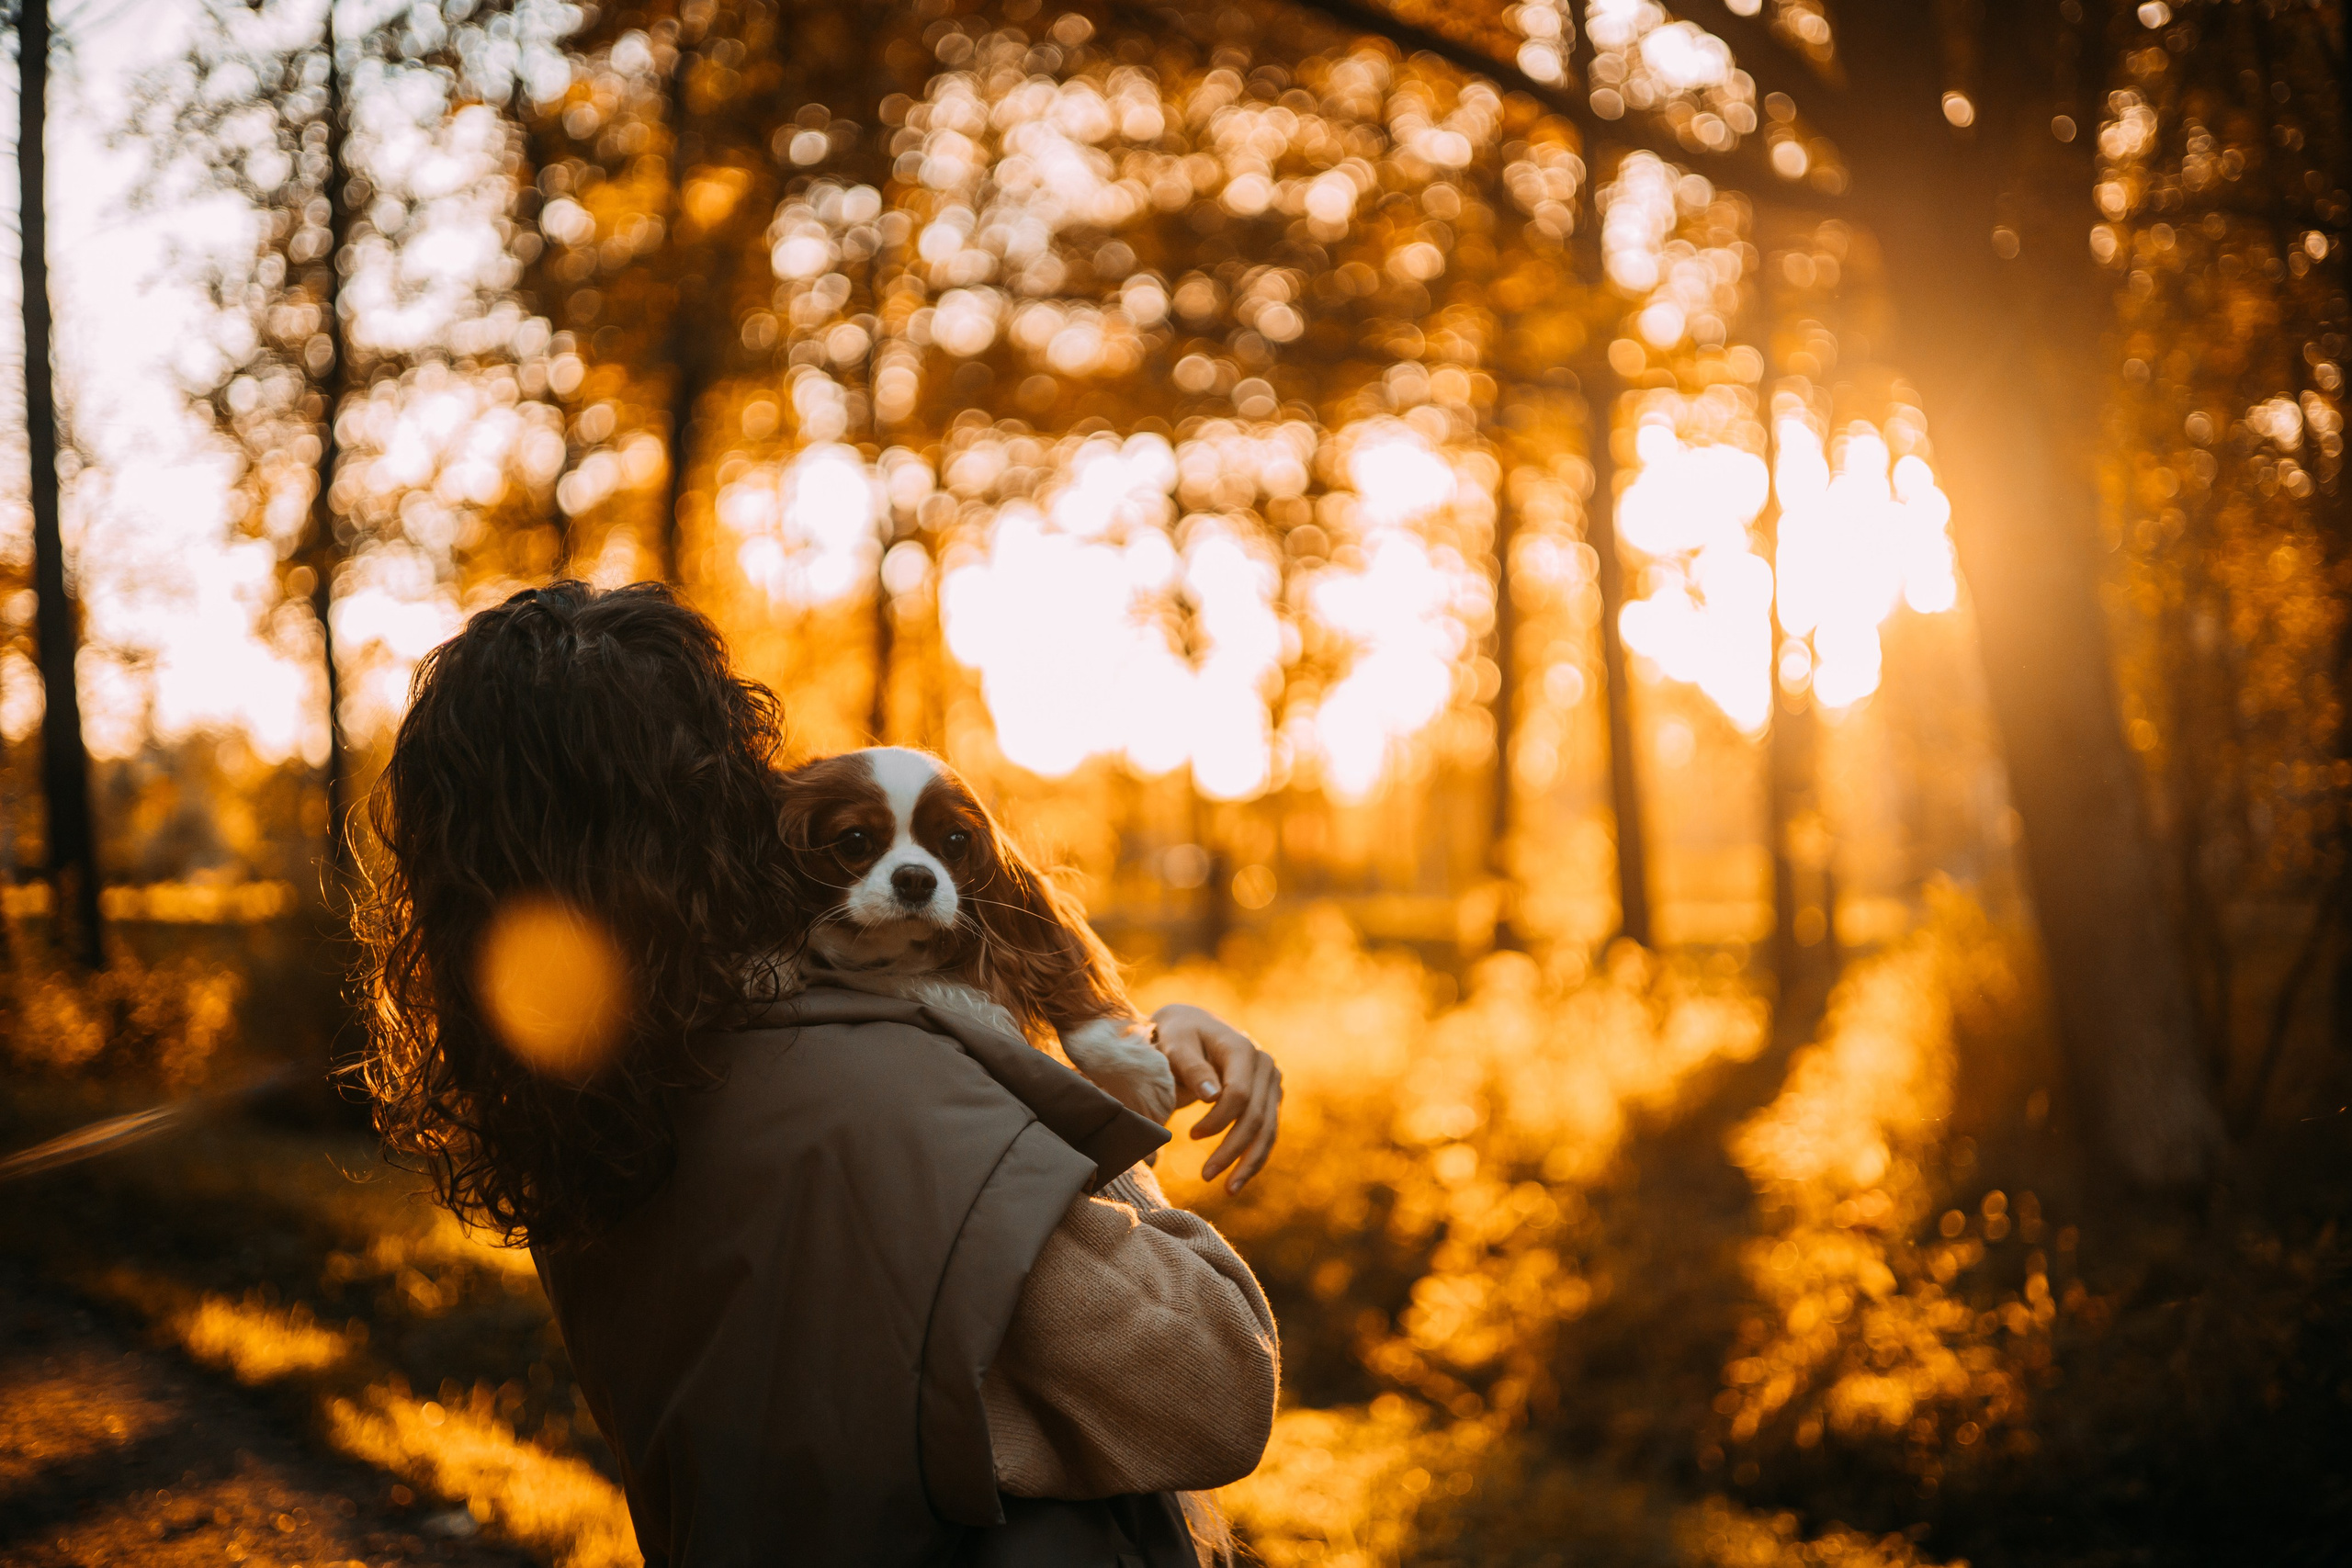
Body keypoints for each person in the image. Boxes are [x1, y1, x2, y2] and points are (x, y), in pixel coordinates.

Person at [357, 582, 1282, 1567]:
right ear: (704, 809)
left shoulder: (575, 1118)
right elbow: (1215, 1386)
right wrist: (1093, 1112)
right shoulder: (884, 1091)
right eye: (732, 763)